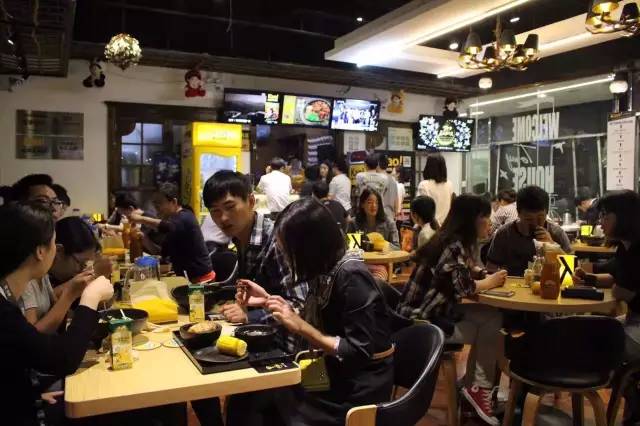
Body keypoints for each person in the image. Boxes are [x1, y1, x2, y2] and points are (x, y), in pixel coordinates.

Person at [238, 198, 393, 426]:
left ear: (309, 247)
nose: (286, 257)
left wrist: (301, 327)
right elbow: (318, 314)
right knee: (259, 395)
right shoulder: (325, 269)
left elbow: (358, 351)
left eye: (288, 250)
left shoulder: (351, 275)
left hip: (359, 387)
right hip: (333, 372)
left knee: (271, 404)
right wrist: (267, 300)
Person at [202, 171, 307, 426]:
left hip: (290, 355)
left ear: (250, 201)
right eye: (215, 211)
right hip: (261, 343)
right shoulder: (243, 238)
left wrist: (250, 316)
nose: (223, 218)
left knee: (237, 408)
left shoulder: (277, 240)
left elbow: (300, 305)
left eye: (230, 207)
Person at [397, 195, 507, 425]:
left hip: (421, 314)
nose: (489, 222)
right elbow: (464, 287)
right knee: (489, 327)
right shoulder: (453, 245)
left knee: (491, 317)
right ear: (472, 219)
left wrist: (478, 273)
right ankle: (477, 389)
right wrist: (491, 281)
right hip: (420, 324)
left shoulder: (448, 240)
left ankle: (473, 388)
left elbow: (456, 273)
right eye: (485, 217)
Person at [0, 201, 113, 426]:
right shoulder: (4, 313)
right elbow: (63, 359)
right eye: (53, 241)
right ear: (40, 251)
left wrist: (29, 396)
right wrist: (90, 297)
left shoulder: (9, 296)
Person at [573, 190, 640, 425]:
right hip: (633, 319)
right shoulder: (626, 247)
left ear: (624, 217)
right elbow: (616, 280)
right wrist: (588, 279)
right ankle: (633, 403)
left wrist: (620, 288)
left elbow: (623, 291)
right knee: (588, 331)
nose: (600, 221)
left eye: (605, 216)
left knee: (593, 345)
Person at [23, 217, 101, 334]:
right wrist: (70, 294)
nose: (82, 269)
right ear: (58, 250)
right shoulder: (27, 279)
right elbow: (33, 336)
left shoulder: (43, 274)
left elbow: (53, 305)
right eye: (80, 263)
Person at [130, 183, 214, 283]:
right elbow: (161, 253)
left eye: (159, 203)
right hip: (186, 278)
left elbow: (167, 226)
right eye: (154, 203)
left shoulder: (185, 217)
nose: (156, 207)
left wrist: (141, 219)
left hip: (201, 280)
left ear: (174, 202)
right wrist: (144, 239)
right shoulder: (174, 223)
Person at [487, 186, 572, 276]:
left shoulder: (556, 232)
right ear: (518, 213)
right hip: (513, 283)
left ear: (546, 213)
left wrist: (552, 245)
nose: (535, 223)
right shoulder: (504, 233)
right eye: (529, 219)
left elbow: (571, 271)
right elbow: (491, 268)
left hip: (547, 282)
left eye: (540, 218)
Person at [417, 154, 454, 226]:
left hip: (430, 227)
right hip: (446, 227)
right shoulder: (449, 184)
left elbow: (421, 209)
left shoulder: (424, 185)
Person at [378, 154, 399, 222]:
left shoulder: (378, 179)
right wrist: (395, 214)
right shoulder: (393, 180)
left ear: (378, 164)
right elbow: (396, 199)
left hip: (379, 216)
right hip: (390, 216)